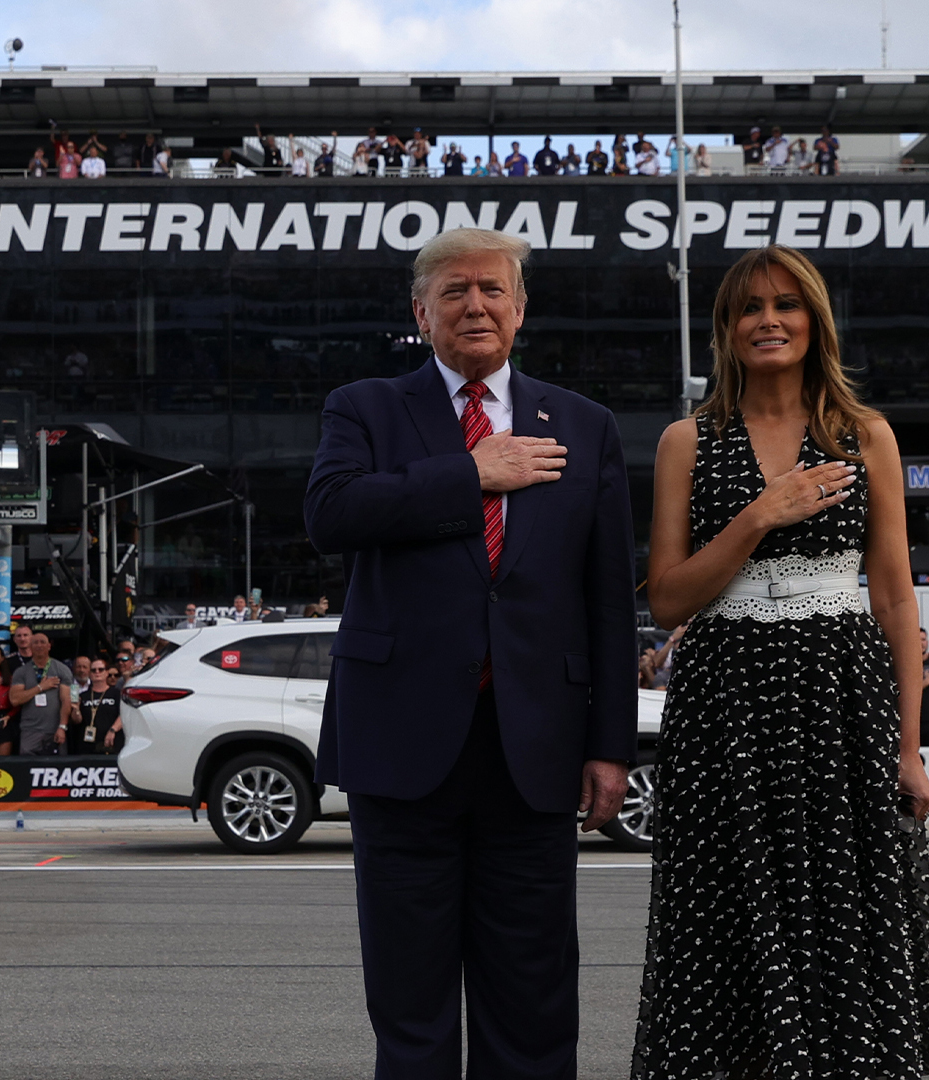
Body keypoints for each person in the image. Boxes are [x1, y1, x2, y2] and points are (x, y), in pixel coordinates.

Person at [303, 226, 636, 1078]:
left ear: (520, 309)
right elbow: (332, 517)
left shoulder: (586, 426)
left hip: (536, 747)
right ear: (422, 312)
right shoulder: (365, 407)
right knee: (409, 1005)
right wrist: (471, 471)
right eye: (454, 291)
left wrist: (610, 746)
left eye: (492, 289)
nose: (475, 304)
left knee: (531, 1001)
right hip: (400, 744)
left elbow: (605, 600)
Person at [635, 244, 929, 1076]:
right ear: (726, 329)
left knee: (847, 911)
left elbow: (895, 599)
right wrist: (758, 516)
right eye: (749, 308)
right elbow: (667, 599)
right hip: (725, 708)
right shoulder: (687, 440)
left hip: (841, 697)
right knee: (723, 916)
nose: (767, 320)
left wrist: (910, 750)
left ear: (815, 322)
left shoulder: (864, 435)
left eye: (785, 304)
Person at [8, 632, 71, 755]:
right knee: (28, 767)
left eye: (42, 642)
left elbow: (66, 700)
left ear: (49, 646)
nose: (39, 645)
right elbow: (15, 700)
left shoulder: (62, 669)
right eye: (35, 642)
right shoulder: (21, 672)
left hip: (55, 729)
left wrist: (62, 727)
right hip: (30, 730)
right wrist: (40, 687)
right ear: (30, 647)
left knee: (57, 768)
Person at [72, 658, 122, 754]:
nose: (97, 672)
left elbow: (124, 714)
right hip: (88, 743)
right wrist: (76, 709)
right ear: (90, 673)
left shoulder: (116, 693)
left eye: (101, 669)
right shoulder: (83, 695)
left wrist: (113, 730)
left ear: (107, 672)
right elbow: (77, 721)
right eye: (93, 670)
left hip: (110, 741)